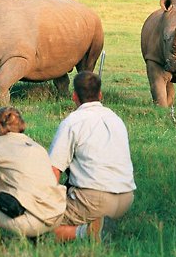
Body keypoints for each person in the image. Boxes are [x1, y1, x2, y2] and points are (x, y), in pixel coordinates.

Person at [49, 71, 136, 243]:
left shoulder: (72, 122)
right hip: (126, 198)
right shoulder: (116, 119)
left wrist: (44, 204)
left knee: (37, 226)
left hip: (94, 200)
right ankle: (102, 225)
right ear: (100, 95)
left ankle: (86, 233)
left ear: (74, 96)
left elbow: (53, 171)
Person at [0, 107, 66, 248]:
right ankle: (37, 238)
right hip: (56, 216)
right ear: (21, 124)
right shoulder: (37, 146)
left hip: (30, 221)